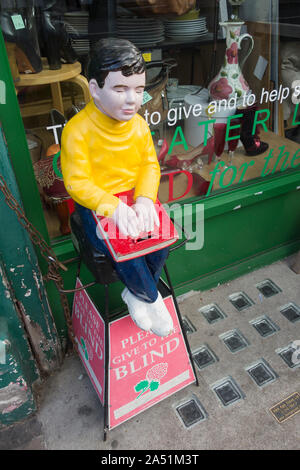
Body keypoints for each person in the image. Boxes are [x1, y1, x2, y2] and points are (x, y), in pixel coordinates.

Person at [61, 38, 173, 337]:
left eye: (138, 89)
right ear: (95, 89)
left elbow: (149, 166)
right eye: (120, 89)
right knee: (125, 246)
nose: (132, 100)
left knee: (161, 239)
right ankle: (152, 299)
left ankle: (135, 294)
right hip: (99, 205)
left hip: (135, 200)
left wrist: (146, 200)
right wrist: (113, 207)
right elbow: (77, 182)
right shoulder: (78, 130)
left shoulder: (138, 126)